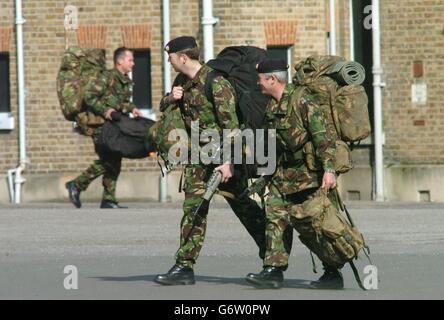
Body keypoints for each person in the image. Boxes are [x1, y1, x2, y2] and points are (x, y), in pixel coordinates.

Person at [154, 36, 267, 285]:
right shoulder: (182, 81)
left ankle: (273, 251)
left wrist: (227, 162)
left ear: (182, 57)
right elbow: (166, 107)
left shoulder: (216, 83)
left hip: (221, 157)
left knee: (243, 206)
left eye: (170, 57)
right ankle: (184, 266)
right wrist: (170, 98)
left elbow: (232, 128)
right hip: (198, 157)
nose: (169, 62)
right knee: (194, 207)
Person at [244, 59, 344, 289]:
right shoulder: (272, 105)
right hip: (283, 174)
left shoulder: (302, 101)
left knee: (314, 225)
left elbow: (323, 137)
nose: (257, 83)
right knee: (274, 217)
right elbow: (276, 144)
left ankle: (332, 272)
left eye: (260, 79)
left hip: (308, 176)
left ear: (272, 79)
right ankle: (273, 270)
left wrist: (329, 170)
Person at [65, 47, 143, 209]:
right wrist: (105, 110)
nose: (133, 64)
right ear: (119, 61)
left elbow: (120, 102)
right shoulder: (107, 77)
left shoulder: (124, 80)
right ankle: (77, 184)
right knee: (109, 159)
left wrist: (132, 108)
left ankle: (108, 198)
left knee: (114, 158)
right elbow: (89, 96)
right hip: (99, 124)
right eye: (130, 60)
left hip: (113, 125)